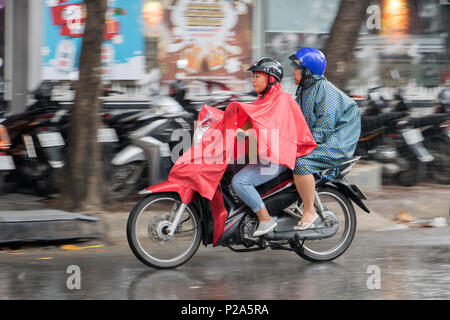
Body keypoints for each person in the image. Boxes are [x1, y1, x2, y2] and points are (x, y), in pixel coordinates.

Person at [231, 57, 314, 237]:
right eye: (253, 76)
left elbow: (274, 133)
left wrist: (248, 134)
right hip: (263, 155)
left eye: (258, 76)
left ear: (271, 78)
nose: (253, 80)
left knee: (240, 182)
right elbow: (250, 122)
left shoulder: (282, 101)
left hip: (277, 158)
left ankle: (265, 219)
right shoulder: (261, 100)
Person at [289, 47, 361, 230]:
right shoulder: (304, 90)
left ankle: (309, 211)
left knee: (301, 163)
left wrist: (300, 147)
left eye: (296, 67)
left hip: (337, 142)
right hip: (322, 138)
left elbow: (324, 128)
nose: (293, 71)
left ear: (307, 71)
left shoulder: (325, 91)